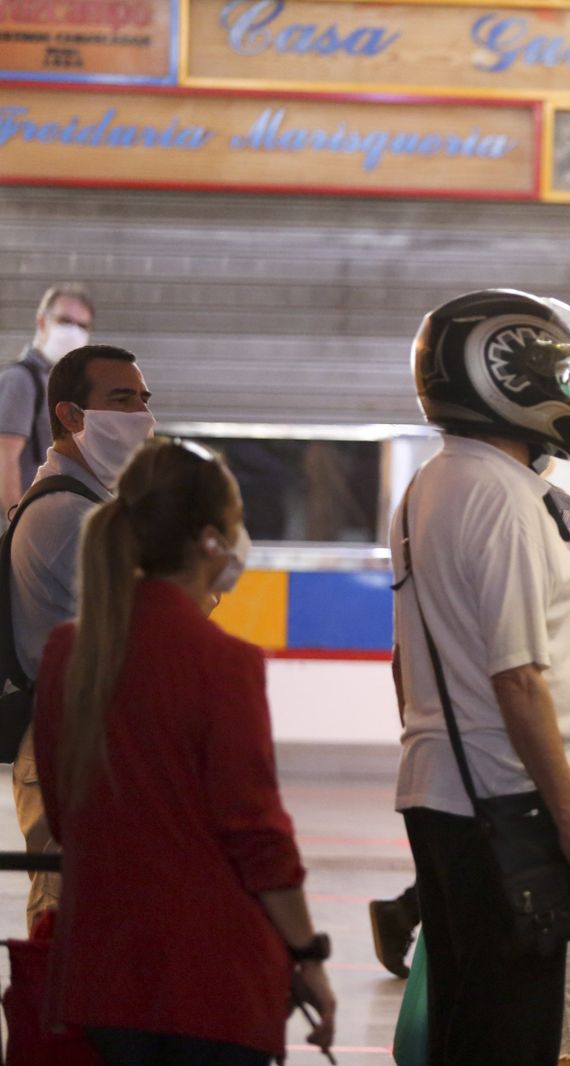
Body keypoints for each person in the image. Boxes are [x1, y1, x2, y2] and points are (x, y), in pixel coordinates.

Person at [31, 440, 336, 1064]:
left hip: (103, 976)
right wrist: (306, 954)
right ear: (209, 541)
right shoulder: (224, 663)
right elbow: (256, 833)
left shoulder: (69, 653)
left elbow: (64, 818)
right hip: (212, 980)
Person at [394, 288, 570, 1064]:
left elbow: (406, 663)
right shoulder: (502, 497)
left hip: (449, 793)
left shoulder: (432, 485)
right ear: (509, 380)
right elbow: (518, 677)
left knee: (470, 1023)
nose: (568, 395)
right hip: (509, 802)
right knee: (511, 1034)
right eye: (556, 375)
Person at [7, 343, 153, 931]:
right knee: (65, 929)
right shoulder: (70, 515)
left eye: (144, 400)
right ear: (71, 415)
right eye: (122, 400)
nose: (142, 416)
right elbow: (156, 629)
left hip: (82, 740)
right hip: (69, 747)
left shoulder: (90, 503)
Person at [0, 284, 94, 514]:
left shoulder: (58, 382)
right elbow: (5, 458)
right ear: (42, 323)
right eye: (64, 321)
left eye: (82, 325)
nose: (73, 332)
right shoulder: (21, 379)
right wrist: (17, 523)